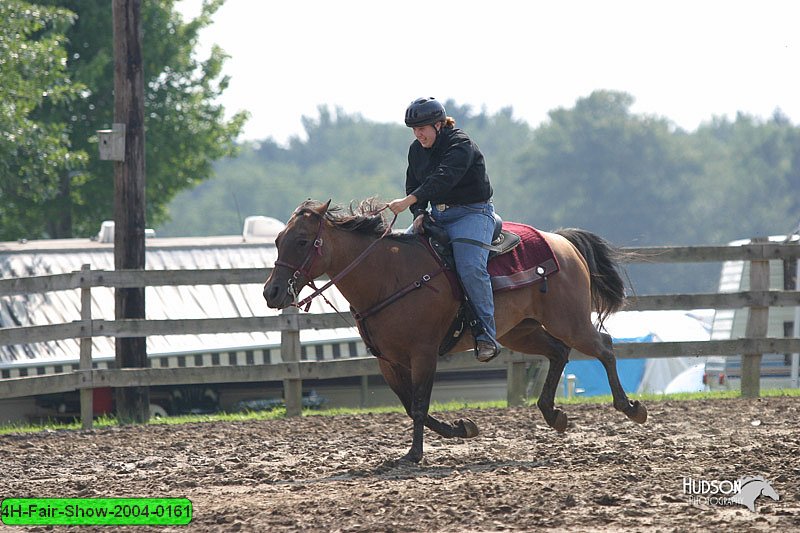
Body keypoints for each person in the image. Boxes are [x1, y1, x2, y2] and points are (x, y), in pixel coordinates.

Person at [388, 97, 500, 362]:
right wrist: (418, 213)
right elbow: (413, 182)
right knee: (398, 258)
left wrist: (408, 203)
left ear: (439, 124)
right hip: (437, 215)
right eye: (414, 129)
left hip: (473, 213)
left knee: (471, 268)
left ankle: (486, 336)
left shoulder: (460, 144)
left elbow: (443, 178)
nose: (418, 134)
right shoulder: (416, 150)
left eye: (423, 127)